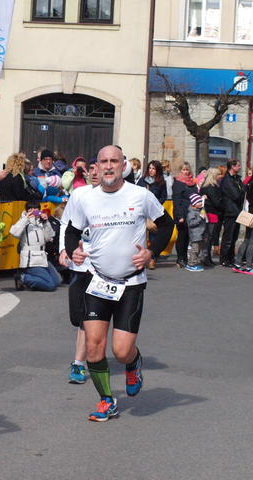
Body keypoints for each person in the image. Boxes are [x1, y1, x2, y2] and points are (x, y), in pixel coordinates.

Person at [64, 145, 172, 422]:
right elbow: (72, 230)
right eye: (104, 161)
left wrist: (151, 252)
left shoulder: (140, 195)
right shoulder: (86, 199)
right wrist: (72, 250)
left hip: (131, 283)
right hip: (97, 280)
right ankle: (106, 400)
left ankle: (133, 362)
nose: (109, 166)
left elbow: (167, 225)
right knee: (93, 346)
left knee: (121, 351)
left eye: (114, 161)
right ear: (97, 166)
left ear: (123, 165)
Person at [59, 158, 100, 384]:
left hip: (103, 268)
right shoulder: (79, 195)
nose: (94, 173)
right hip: (79, 264)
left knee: (89, 317)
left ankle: (79, 363)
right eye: (91, 169)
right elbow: (66, 223)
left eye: (97, 169)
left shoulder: (118, 197)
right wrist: (64, 249)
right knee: (78, 317)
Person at [10, 200, 61, 292]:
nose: (34, 211)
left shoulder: (40, 222)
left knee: (57, 281)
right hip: (31, 260)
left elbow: (48, 237)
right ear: (27, 210)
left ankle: (34, 280)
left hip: (42, 257)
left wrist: (46, 222)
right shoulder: (23, 221)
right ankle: (23, 277)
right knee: (50, 285)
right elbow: (14, 232)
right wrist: (26, 218)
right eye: (31, 209)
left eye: (36, 209)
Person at [172, 162, 198, 268]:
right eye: (183, 170)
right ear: (180, 171)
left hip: (191, 213)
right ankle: (180, 258)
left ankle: (185, 258)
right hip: (182, 212)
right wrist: (180, 215)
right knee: (182, 236)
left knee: (187, 237)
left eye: (187, 169)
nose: (185, 172)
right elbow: (177, 201)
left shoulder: (192, 183)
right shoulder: (178, 183)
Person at [220, 159, 245, 267]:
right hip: (230, 211)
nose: (240, 167)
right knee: (228, 237)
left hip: (237, 210)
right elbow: (236, 195)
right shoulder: (227, 180)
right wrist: (241, 192)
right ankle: (224, 258)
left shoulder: (237, 179)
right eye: (238, 165)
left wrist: (242, 191)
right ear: (232, 167)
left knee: (234, 236)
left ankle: (231, 257)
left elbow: (243, 191)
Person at [199, 167, 224, 266]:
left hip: (208, 212)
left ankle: (207, 257)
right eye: (218, 174)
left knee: (208, 237)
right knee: (208, 237)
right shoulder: (211, 187)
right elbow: (216, 202)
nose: (220, 176)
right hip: (211, 213)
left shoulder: (205, 186)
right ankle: (206, 257)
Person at [185, 193, 206, 272]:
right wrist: (200, 218)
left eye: (200, 201)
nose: (200, 203)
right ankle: (191, 264)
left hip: (200, 234)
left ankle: (194, 262)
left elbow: (203, 208)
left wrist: (203, 199)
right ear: (194, 204)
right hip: (195, 235)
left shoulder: (199, 210)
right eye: (198, 202)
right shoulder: (191, 213)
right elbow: (191, 223)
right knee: (195, 250)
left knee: (198, 249)